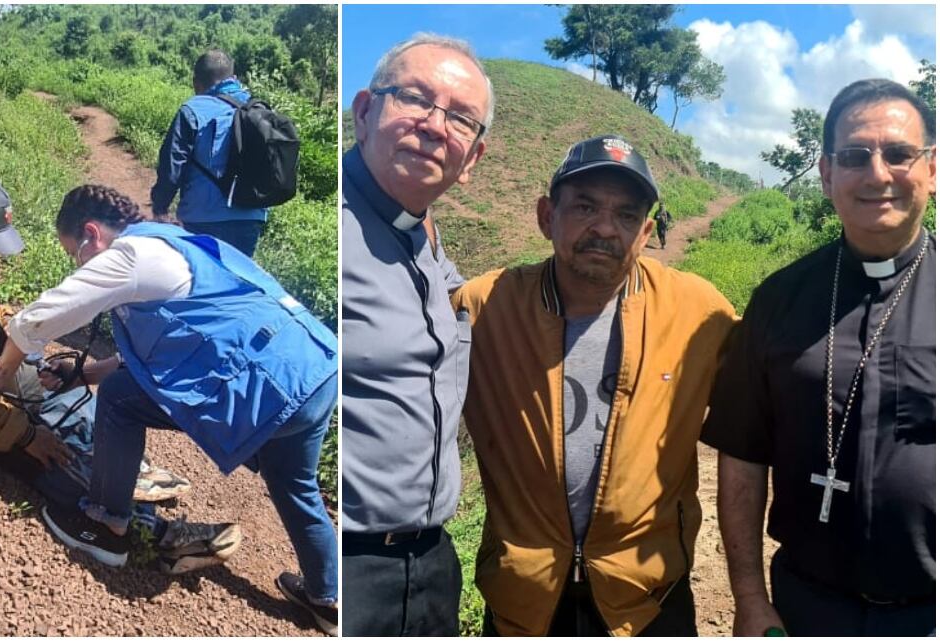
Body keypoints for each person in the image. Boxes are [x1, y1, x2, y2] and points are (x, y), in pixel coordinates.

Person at [0, 184, 339, 635]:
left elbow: (46, 313)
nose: (79, 265)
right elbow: (173, 343)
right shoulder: (174, 244)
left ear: (91, 234)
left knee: (120, 401)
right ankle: (328, 598)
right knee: (296, 485)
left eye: (76, 254)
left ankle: (104, 525)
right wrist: (86, 373)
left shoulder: (129, 255)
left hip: (272, 387)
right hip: (316, 370)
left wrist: (7, 363)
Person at [452, 135, 737, 636]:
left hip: (648, 598)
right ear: (547, 216)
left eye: (627, 216)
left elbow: (766, 399)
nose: (605, 228)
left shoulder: (698, 311)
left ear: (646, 231)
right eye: (585, 207)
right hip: (525, 595)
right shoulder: (484, 308)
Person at [0, 174, 229, 573]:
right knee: (53, 460)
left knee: (65, 398)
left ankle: (124, 473)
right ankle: (158, 535)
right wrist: (26, 436)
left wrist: (26, 361)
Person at [702, 79, 935, 636]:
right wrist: (750, 600)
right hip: (806, 605)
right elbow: (742, 456)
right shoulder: (779, 299)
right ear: (827, 175)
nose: (878, 174)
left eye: (899, 154)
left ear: (932, 168)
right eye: (855, 156)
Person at [340, 33, 491, 636]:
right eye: (413, 98)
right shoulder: (338, 226)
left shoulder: (424, 234)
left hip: (430, 563)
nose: (434, 125)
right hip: (354, 564)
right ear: (364, 109)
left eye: (460, 118)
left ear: (473, 158)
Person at [150, 49, 267, 257]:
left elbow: (172, 166)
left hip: (201, 218)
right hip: (250, 219)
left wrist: (160, 207)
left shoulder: (192, 110)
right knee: (238, 282)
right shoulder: (259, 110)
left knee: (203, 282)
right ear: (235, 79)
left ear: (196, 83)